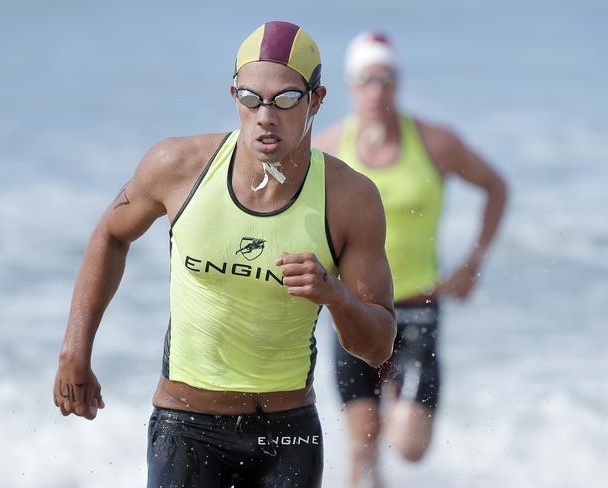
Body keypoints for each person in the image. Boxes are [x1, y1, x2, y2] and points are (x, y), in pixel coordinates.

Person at [53, 21, 397, 488]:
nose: (265, 116)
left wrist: (334, 295)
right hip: (185, 426)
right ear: (234, 95)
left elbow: (377, 346)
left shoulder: (350, 199)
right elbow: (110, 235)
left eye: (286, 100)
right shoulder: (178, 167)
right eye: (251, 98)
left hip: (288, 435)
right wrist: (75, 352)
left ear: (316, 100)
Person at [314, 32, 508, 487]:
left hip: (419, 309)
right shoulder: (325, 149)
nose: (377, 90)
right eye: (366, 80)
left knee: (410, 445)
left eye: (386, 79)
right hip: (355, 310)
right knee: (363, 444)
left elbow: (496, 187)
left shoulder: (436, 144)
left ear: (398, 84)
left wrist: (472, 262)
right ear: (350, 85)